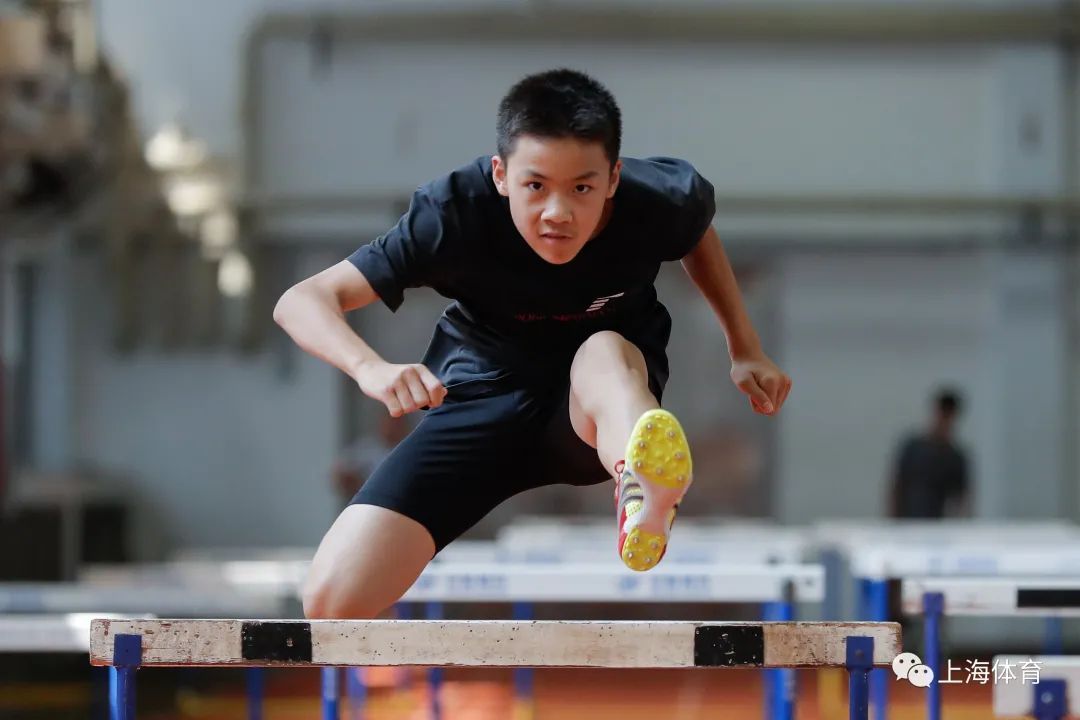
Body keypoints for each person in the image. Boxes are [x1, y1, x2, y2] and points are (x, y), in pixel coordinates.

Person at [274, 69, 792, 620]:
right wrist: (368, 367)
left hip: (592, 412)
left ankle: (642, 485)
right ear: (501, 175)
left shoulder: (656, 199)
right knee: (330, 602)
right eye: (536, 186)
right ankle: (640, 475)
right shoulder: (454, 212)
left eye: (582, 188)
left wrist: (745, 346)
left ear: (613, 178)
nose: (557, 213)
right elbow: (301, 300)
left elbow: (695, 233)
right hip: (481, 401)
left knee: (603, 350)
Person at [888, 388, 970, 519]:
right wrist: (892, 519)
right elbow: (897, 486)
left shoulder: (955, 458)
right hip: (906, 521)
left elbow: (962, 498)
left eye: (948, 416)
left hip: (934, 524)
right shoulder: (913, 448)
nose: (944, 421)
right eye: (942, 414)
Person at [332, 415, 413, 505]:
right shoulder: (365, 447)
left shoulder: (412, 451)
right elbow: (339, 475)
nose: (392, 427)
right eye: (389, 422)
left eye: (397, 424)